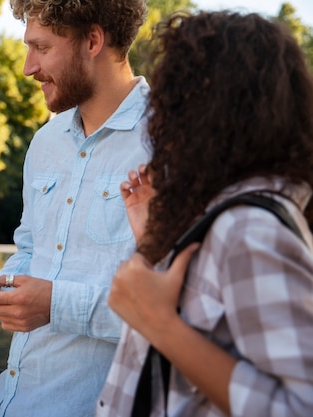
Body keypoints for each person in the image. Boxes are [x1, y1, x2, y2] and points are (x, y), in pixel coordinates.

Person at [0, 0, 150, 415]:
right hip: (8, 403)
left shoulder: (171, 145)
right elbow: (32, 252)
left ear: (92, 40)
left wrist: (57, 305)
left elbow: (178, 312)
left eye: (41, 47)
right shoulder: (46, 142)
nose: (27, 67)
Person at [97, 11, 313, 417]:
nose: (159, 119)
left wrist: (160, 324)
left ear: (208, 112)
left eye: (172, 100)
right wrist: (152, 239)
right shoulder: (227, 216)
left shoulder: (249, 228)